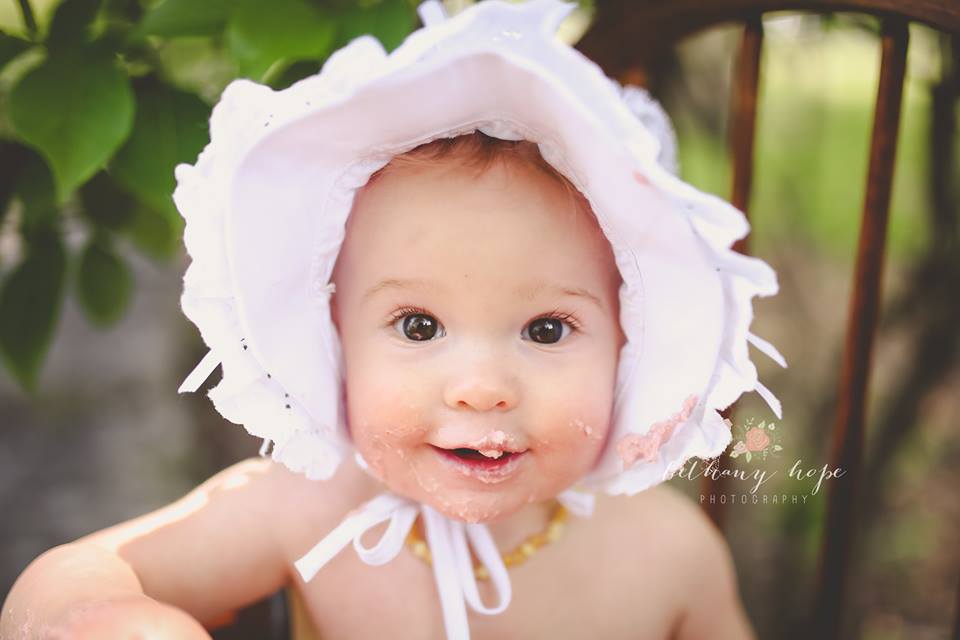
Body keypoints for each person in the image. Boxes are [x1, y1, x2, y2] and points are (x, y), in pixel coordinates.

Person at [1, 1, 786, 638]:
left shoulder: (666, 556)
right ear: (334, 337)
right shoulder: (302, 509)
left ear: (630, 347)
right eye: (418, 326)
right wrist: (105, 617)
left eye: (546, 329)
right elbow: (59, 580)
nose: (480, 389)